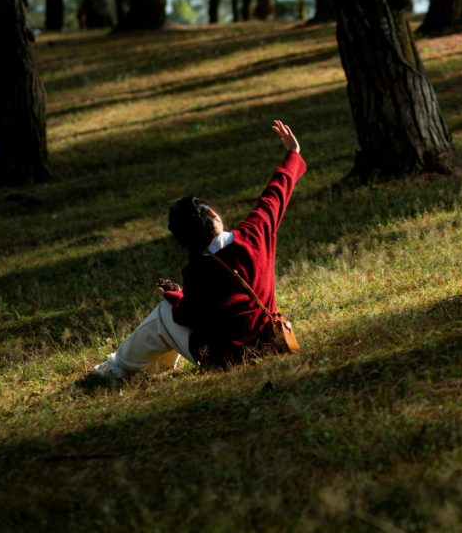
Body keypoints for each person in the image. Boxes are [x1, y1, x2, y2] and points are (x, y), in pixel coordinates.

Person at [88, 119, 306, 380]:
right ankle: (156, 365)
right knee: (168, 315)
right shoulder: (255, 234)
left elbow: (188, 315)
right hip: (268, 340)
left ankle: (117, 367)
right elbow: (275, 194)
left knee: (163, 314)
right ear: (211, 213)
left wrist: (174, 295)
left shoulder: (197, 270)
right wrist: (293, 153)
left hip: (225, 359)